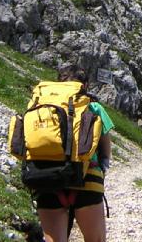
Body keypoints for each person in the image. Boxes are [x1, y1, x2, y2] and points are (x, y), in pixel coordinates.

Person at [34, 72, 114, 242]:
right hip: (87, 178)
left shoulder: (42, 105)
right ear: (85, 86)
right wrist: (103, 167)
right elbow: (105, 149)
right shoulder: (95, 107)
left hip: (46, 176)